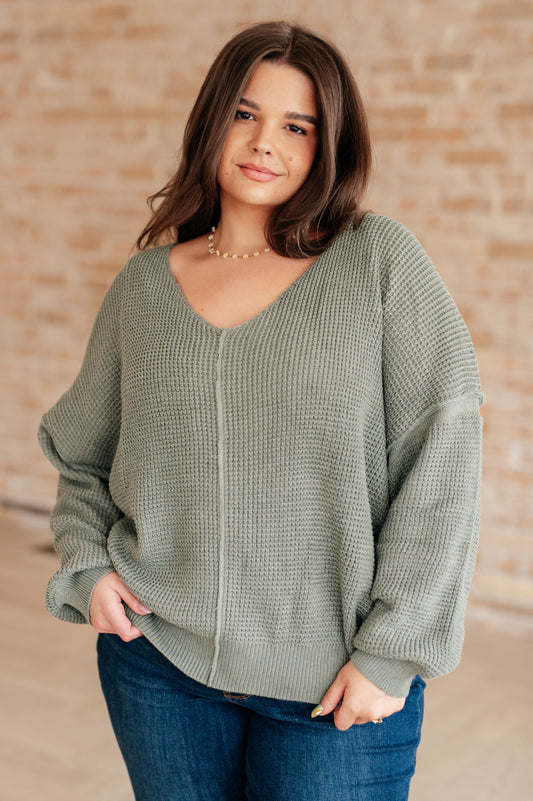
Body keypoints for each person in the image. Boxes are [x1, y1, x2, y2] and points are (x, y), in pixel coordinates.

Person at [39, 20, 484, 801]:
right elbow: (82, 454)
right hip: (159, 670)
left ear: (328, 143)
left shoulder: (377, 262)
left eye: (297, 124)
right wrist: (88, 564)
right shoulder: (143, 287)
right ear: (212, 119)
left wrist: (394, 651)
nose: (264, 142)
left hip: (332, 689)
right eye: (245, 113)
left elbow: (443, 451)